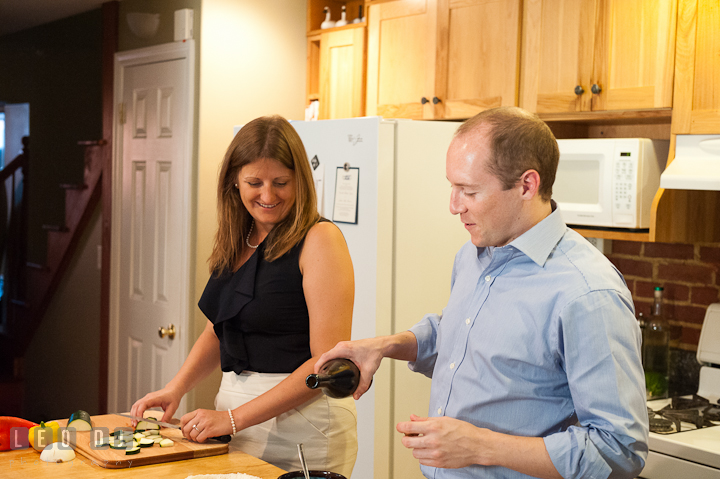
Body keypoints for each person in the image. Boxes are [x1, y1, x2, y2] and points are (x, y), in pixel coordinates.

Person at [316, 107, 649, 479]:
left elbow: (618, 450)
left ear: (526, 186)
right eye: (452, 187)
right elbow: (461, 335)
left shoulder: (587, 293)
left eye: (469, 191)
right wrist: (386, 345)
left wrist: (480, 445)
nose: (454, 205)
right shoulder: (475, 254)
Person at [132, 115, 358, 477]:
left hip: (303, 427)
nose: (267, 196)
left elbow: (326, 366)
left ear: (300, 180)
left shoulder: (320, 240)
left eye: (281, 182)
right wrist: (176, 388)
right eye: (255, 182)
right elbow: (218, 329)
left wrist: (233, 419)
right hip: (236, 419)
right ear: (233, 182)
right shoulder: (239, 238)